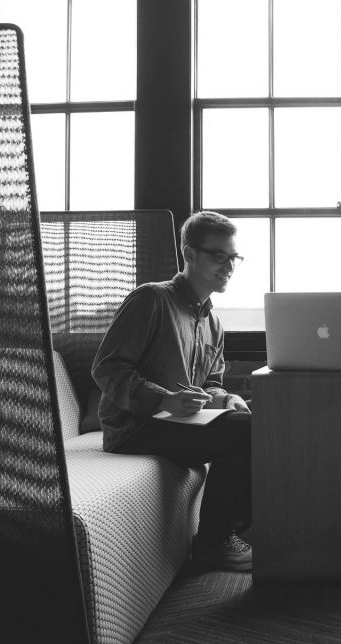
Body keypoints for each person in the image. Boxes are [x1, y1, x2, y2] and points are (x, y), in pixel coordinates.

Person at [91, 210, 253, 571]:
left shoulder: (213, 321)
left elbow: (211, 382)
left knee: (253, 419)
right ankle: (212, 543)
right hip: (136, 428)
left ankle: (241, 526)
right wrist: (164, 400)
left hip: (181, 425)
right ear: (190, 253)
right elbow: (107, 368)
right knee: (244, 432)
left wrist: (225, 398)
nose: (229, 266)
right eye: (218, 256)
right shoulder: (151, 299)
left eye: (234, 257)